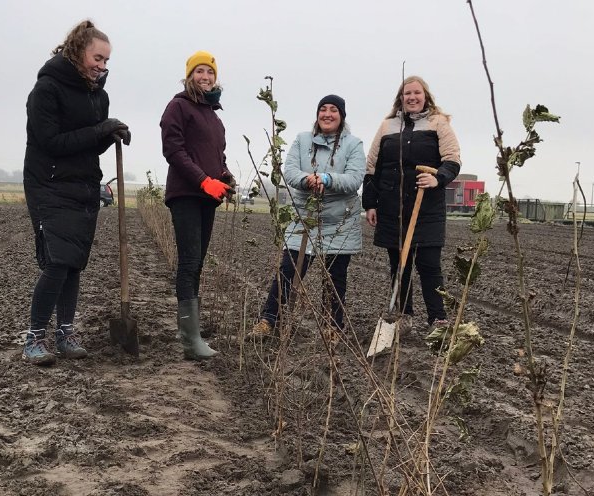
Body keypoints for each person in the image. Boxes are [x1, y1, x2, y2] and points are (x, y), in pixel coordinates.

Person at [22, 20, 131, 365]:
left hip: (83, 185)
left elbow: (86, 146)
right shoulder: (47, 89)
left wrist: (109, 135)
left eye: (106, 61)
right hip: (49, 184)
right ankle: (34, 338)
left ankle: (65, 333)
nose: (102, 66)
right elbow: (51, 142)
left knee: (73, 265)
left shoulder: (99, 96)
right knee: (58, 261)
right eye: (97, 58)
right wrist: (99, 129)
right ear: (78, 50)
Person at [249, 95, 366, 340]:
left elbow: (355, 178)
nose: (327, 114)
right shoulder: (302, 140)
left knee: (334, 279)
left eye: (333, 110)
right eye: (322, 109)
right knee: (288, 271)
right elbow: (289, 170)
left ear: (341, 116)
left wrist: (326, 179)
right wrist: (306, 180)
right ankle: (269, 321)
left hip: (339, 221)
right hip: (304, 216)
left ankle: (332, 328)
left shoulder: (353, 144)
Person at [362, 75, 461, 332]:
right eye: (407, 94)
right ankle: (404, 315)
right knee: (399, 264)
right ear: (401, 98)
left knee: (429, 264)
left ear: (425, 96)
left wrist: (438, 178)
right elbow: (373, 166)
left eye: (417, 93)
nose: (412, 97)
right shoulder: (387, 126)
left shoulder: (439, 123)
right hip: (392, 208)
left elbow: (452, 160)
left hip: (426, 208)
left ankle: (437, 319)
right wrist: (370, 204)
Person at [160, 50, 234, 360]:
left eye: (210, 72)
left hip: (207, 197)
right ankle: (191, 340)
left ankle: (190, 331)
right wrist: (203, 180)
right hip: (186, 195)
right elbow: (174, 151)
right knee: (190, 261)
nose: (205, 77)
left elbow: (217, 156)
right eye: (199, 71)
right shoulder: (178, 106)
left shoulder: (214, 116)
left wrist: (224, 176)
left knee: (198, 262)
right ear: (189, 75)